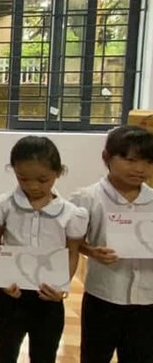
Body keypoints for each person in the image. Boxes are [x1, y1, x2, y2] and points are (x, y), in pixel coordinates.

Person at [0, 136, 87, 363]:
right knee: (6, 351)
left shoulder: (71, 213)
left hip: (49, 297)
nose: (33, 186)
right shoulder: (4, 205)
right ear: (13, 171)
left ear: (58, 172)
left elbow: (72, 252)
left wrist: (62, 287)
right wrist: (2, 279)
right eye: (23, 178)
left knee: (44, 353)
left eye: (43, 180)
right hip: (11, 293)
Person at [71, 126, 153, 363]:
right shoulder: (87, 198)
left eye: (148, 162)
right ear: (106, 157)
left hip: (148, 299)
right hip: (104, 295)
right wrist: (91, 251)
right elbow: (73, 241)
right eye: (130, 160)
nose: (140, 169)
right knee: (95, 355)